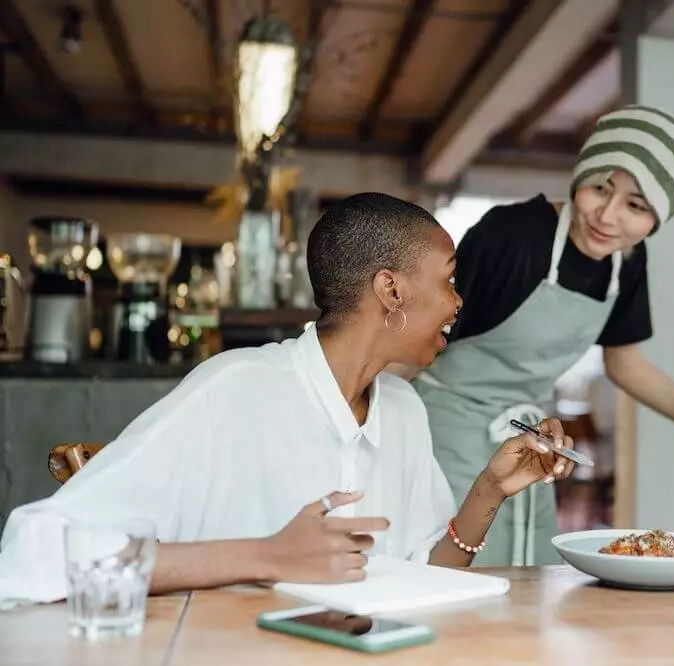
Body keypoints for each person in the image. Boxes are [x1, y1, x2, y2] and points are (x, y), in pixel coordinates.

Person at [0, 193, 577, 608]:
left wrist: (490, 489)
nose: (458, 302)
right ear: (392, 289)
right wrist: (265, 555)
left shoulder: (403, 409)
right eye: (449, 279)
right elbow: (34, 549)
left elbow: (422, 579)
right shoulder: (234, 388)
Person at [392, 105, 674, 567]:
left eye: (635, 206)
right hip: (442, 431)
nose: (608, 217)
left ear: (658, 218)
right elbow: (414, 343)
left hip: (527, 437)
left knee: (525, 578)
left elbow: (625, 366)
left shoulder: (626, 264)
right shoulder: (510, 236)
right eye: (600, 189)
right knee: (450, 571)